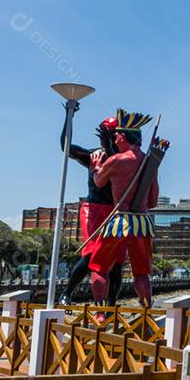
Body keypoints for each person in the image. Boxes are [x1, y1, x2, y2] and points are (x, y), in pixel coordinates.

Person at [91, 109, 160, 312]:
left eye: (117, 135)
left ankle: (101, 313)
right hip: (143, 223)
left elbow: (99, 181)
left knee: (99, 266)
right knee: (142, 272)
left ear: (123, 136)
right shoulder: (150, 161)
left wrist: (96, 166)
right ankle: (146, 309)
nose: (114, 139)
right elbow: (153, 200)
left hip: (119, 221)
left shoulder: (116, 160)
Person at [59, 111, 124, 305]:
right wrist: (69, 116)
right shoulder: (93, 155)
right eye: (110, 134)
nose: (113, 139)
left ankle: (112, 305)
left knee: (117, 261)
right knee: (90, 253)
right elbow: (66, 147)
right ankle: (66, 293)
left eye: (115, 135)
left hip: (116, 211)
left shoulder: (124, 158)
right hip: (94, 209)